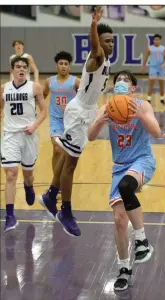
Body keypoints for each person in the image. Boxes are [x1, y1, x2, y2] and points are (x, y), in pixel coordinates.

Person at [39, 7, 113, 236]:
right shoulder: (97, 56)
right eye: (106, 41)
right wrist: (93, 24)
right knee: (71, 164)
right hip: (79, 112)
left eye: (112, 41)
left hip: (87, 112)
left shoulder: (106, 60)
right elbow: (95, 46)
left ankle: (51, 195)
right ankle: (65, 211)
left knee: (68, 157)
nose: (110, 44)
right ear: (98, 43)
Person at [88, 70, 161, 291]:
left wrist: (140, 116)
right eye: (118, 80)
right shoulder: (107, 108)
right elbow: (90, 136)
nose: (121, 82)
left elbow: (157, 132)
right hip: (119, 166)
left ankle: (142, 241)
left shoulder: (143, 105)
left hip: (141, 160)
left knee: (126, 186)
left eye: (126, 80)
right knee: (119, 221)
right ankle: (124, 268)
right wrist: (100, 120)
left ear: (132, 89)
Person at [0, 56, 46, 232]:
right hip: (10, 136)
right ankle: (10, 216)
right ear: (12, 70)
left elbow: (43, 111)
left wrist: (34, 125)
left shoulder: (35, 87)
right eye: (18, 67)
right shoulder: (4, 88)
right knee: (11, 174)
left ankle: (29, 186)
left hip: (29, 135)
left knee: (28, 174)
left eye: (24, 67)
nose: (21, 69)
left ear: (27, 70)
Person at [42, 51, 80, 175]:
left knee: (67, 153)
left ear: (69, 66)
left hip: (71, 121)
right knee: (57, 148)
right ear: (56, 66)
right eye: (61, 63)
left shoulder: (76, 81)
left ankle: (64, 178)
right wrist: (38, 109)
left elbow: (83, 100)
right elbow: (43, 95)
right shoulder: (49, 81)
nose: (63, 66)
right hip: (55, 119)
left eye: (66, 64)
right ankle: (56, 182)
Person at [141, 34, 165, 105]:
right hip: (153, 67)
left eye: (158, 40)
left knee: (161, 83)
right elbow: (146, 57)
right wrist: (143, 66)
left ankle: (162, 99)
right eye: (155, 40)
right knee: (151, 83)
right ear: (153, 40)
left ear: (160, 40)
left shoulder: (163, 48)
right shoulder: (150, 48)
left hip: (161, 68)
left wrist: (164, 63)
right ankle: (149, 99)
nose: (157, 41)